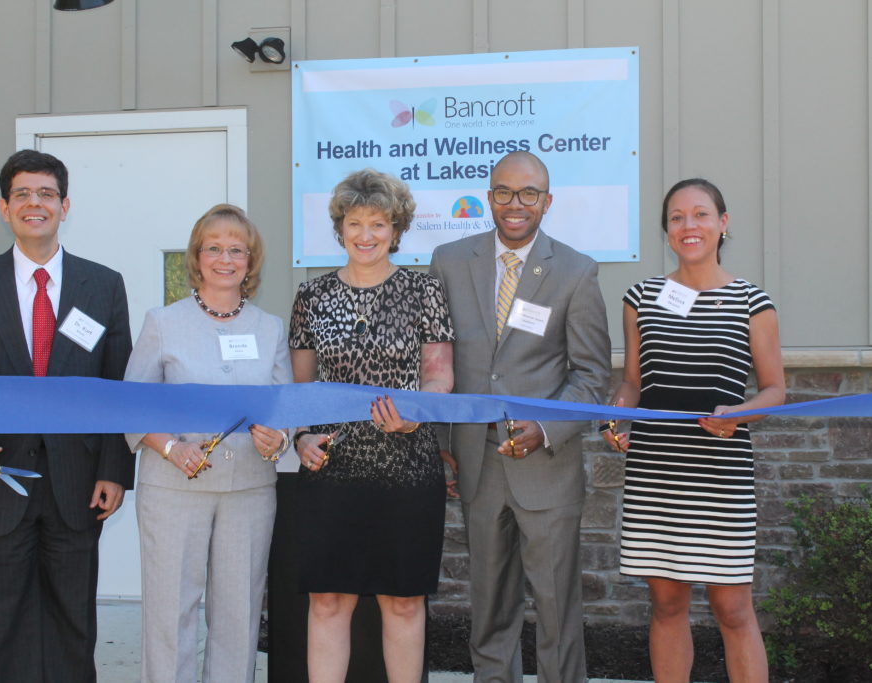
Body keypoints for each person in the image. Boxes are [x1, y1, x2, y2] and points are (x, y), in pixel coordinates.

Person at [0, 149, 134, 683]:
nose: (34, 203)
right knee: (3, 624)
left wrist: (115, 469)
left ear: (65, 206)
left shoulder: (103, 285)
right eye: (22, 194)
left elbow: (117, 384)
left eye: (46, 193)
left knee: (73, 622)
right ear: (4, 208)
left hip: (79, 483)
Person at [430, 150, 612, 683]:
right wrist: (443, 439)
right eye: (504, 192)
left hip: (547, 468)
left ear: (547, 201)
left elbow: (592, 375)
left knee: (556, 608)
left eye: (529, 193)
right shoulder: (448, 260)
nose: (516, 204)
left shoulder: (576, 272)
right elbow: (439, 359)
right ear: (488, 197)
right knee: (489, 605)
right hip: (476, 463)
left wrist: (547, 428)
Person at [601, 178, 785, 683]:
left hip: (720, 476)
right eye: (677, 217)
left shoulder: (754, 302)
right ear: (666, 230)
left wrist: (740, 414)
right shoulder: (641, 297)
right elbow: (633, 382)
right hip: (656, 474)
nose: (689, 226)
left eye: (701, 214)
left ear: (723, 224)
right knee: (665, 605)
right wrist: (618, 417)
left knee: (733, 610)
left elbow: (774, 391)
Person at [289, 168, 455, 683]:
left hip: (406, 469)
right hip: (331, 468)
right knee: (329, 600)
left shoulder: (424, 291)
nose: (365, 234)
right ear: (340, 228)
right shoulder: (311, 297)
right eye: (355, 222)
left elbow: (440, 377)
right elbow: (300, 391)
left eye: (378, 224)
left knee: (403, 604)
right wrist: (300, 436)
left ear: (396, 230)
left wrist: (414, 417)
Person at [123, 204, 292, 683]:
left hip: (250, 491)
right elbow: (134, 405)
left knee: (239, 615)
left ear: (250, 260)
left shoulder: (270, 328)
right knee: (170, 614)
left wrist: (277, 440)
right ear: (196, 258)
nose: (225, 258)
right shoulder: (162, 321)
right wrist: (171, 448)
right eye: (214, 248)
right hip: (173, 487)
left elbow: (283, 413)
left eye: (236, 250)